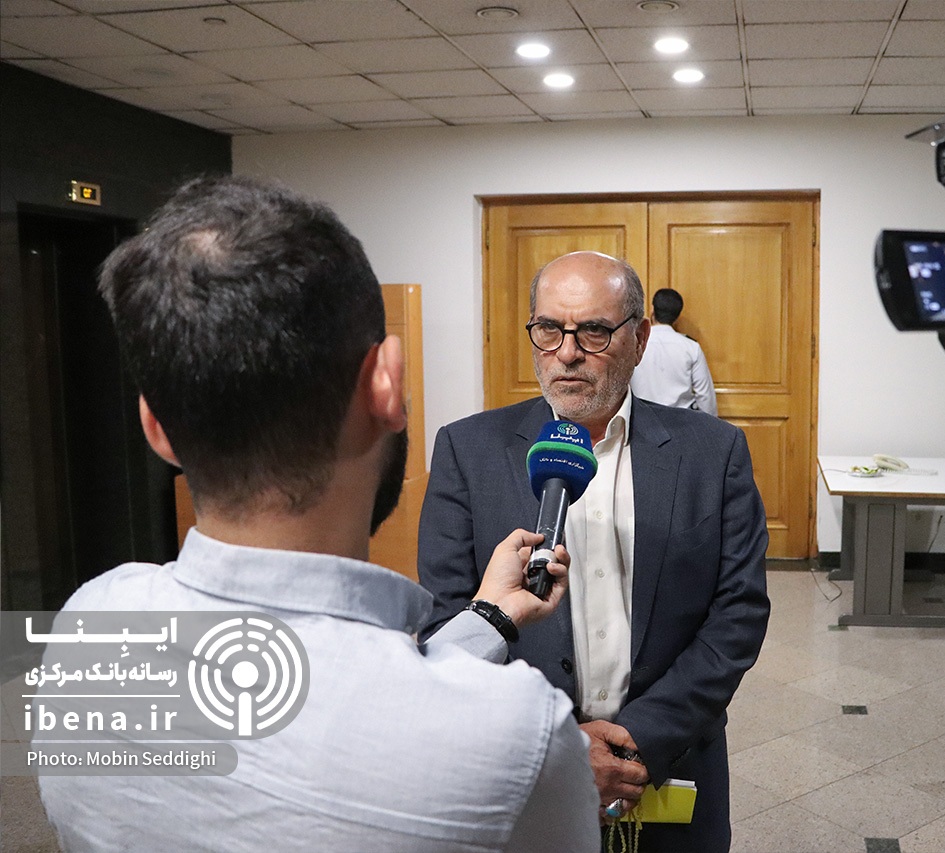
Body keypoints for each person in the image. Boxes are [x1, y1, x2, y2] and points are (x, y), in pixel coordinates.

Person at [35, 175, 599, 852]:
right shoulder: (521, 738)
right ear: (388, 383)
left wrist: (491, 617)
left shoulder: (90, 627)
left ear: (156, 428)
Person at [417, 251, 770, 853]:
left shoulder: (714, 453)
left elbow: (738, 614)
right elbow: (446, 619)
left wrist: (639, 738)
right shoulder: (467, 451)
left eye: (594, 331)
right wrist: (559, 747)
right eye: (548, 329)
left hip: (672, 764)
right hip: (524, 778)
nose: (567, 353)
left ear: (640, 339)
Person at [629, 288, 718, 415]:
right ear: (677, 317)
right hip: (681, 420)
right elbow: (705, 397)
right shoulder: (691, 347)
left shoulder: (635, 344)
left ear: (652, 310)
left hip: (641, 417)